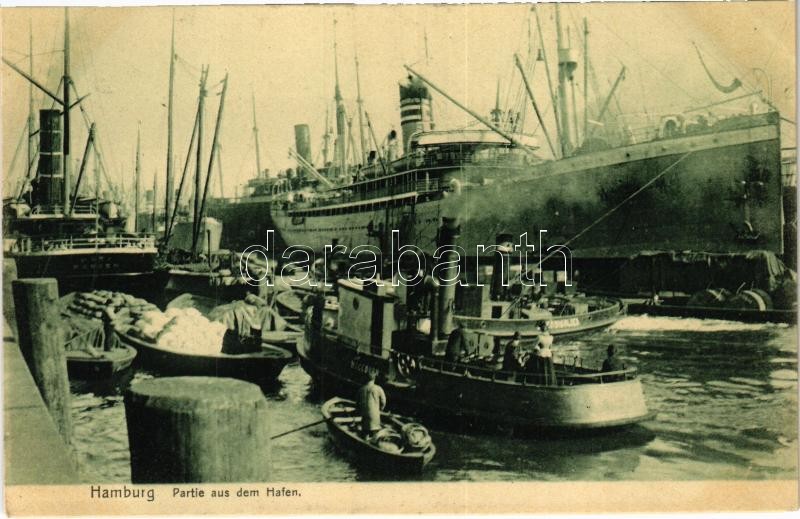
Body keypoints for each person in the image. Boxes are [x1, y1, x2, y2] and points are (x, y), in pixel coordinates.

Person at [357, 370, 387, 439]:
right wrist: (380, 409)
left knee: (365, 433)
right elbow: (383, 401)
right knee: (375, 434)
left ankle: (365, 439)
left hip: (364, 418)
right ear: (374, 379)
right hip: (375, 417)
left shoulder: (361, 389)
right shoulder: (378, 388)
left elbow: (358, 404)